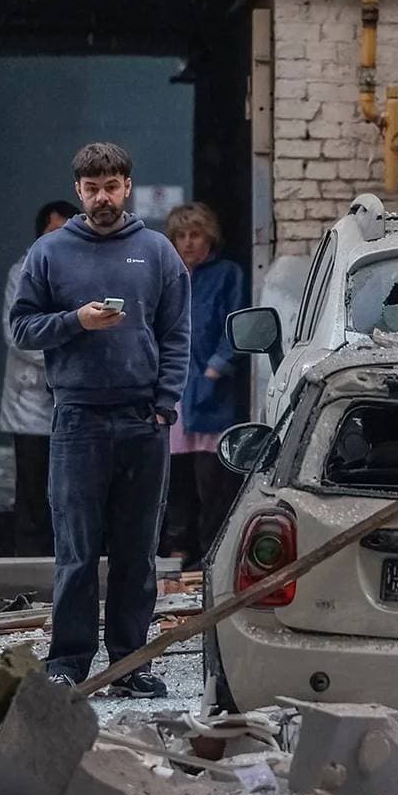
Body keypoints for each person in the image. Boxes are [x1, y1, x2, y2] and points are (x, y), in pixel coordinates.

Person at [10, 142, 190, 697]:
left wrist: (164, 406)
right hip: (78, 419)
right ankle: (68, 661)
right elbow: (21, 330)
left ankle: (131, 664)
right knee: (77, 550)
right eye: (92, 190)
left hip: (143, 420)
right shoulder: (49, 253)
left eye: (112, 187)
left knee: (137, 553)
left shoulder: (157, 252)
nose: (103, 198)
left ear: (128, 186)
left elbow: (177, 334)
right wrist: (75, 321)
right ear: (78, 191)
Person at [161, 202, 248, 568]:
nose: (188, 243)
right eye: (180, 236)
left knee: (212, 480)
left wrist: (217, 367)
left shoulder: (227, 274)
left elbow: (237, 324)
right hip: (175, 390)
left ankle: (211, 551)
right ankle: (178, 548)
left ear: (208, 237)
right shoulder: (168, 276)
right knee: (173, 477)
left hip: (212, 391)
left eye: (195, 235)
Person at [0, 200, 77, 556]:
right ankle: (30, 559)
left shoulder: (85, 266)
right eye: (52, 232)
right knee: (32, 485)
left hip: (75, 397)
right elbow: (18, 334)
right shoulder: (23, 272)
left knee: (71, 486)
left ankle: (66, 556)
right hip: (31, 398)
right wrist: (64, 355)